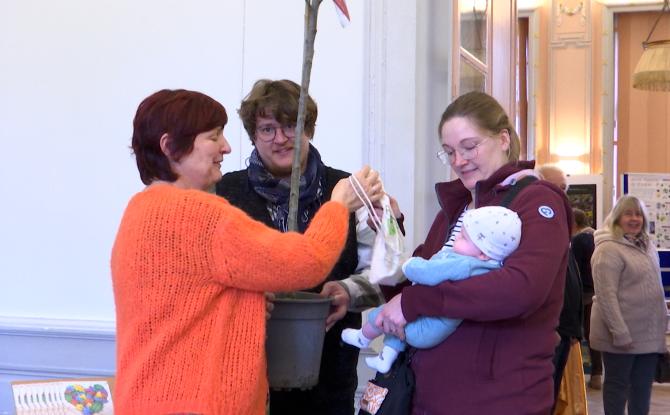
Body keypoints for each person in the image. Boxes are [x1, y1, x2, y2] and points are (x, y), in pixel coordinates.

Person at [110, 89, 382, 415]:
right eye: (213, 137)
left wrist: (244, 304)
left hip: (147, 398)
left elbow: (185, 303)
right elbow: (306, 262)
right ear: (170, 147)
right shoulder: (203, 215)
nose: (226, 147)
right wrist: (339, 206)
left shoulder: (138, 211)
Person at [375, 91, 572, 414]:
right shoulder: (455, 211)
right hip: (431, 396)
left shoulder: (536, 201)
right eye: (449, 152)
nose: (458, 161)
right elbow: (413, 290)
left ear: (504, 138)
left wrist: (413, 302)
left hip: (499, 399)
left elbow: (522, 288)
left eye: (469, 147)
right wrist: (387, 232)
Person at [215, 79, 391, 415]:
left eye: (290, 125)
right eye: (267, 129)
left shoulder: (349, 190)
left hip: (330, 378)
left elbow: (386, 270)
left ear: (307, 128)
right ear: (253, 135)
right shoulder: (223, 193)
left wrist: (349, 291)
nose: (280, 138)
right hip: (245, 378)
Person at [342, 206, 522, 374]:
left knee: (383, 314)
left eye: (464, 237)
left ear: (483, 253)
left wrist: (409, 265)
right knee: (396, 322)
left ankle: (363, 337)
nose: (457, 237)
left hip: (425, 330)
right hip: (430, 330)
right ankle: (385, 358)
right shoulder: (483, 266)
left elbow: (429, 272)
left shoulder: (464, 264)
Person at [590, 195, 668, 415]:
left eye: (638, 214)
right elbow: (606, 296)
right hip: (621, 335)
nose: (634, 219)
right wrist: (620, 332)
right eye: (628, 214)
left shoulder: (647, 246)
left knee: (643, 388)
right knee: (617, 386)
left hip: (648, 335)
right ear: (616, 218)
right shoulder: (608, 249)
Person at [537, 164, 584, 405]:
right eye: (557, 188)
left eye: (564, 188)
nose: (562, 194)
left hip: (564, 331)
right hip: (549, 331)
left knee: (554, 397)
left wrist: (575, 329)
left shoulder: (562, 223)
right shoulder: (537, 224)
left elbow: (570, 278)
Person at [571, 207, 601, 389]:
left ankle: (576, 376)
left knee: (577, 333)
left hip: (583, 294)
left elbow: (575, 270)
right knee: (593, 335)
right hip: (596, 292)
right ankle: (597, 373)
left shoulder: (579, 240)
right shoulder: (596, 237)